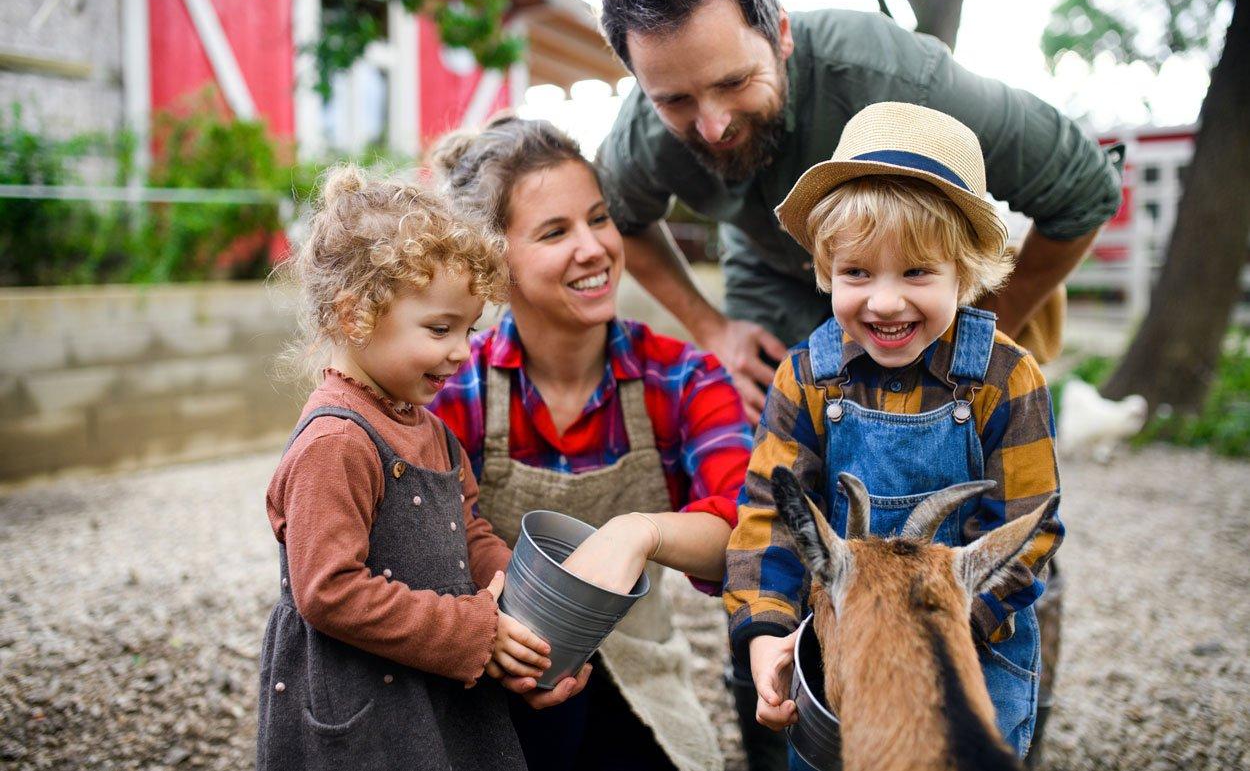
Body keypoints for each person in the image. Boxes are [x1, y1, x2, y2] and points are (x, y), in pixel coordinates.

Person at [596, 0, 1122, 425]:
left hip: (922, 267)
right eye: (675, 101)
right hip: (770, 276)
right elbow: (618, 220)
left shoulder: (900, 78)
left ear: (781, 35)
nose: (713, 127)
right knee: (782, 435)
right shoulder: (639, 137)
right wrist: (712, 329)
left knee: (955, 438)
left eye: (735, 81)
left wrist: (986, 329)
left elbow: (1084, 188)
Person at [722, 102, 1065, 768]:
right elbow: (769, 514)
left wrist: (939, 623)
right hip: (844, 644)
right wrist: (765, 634)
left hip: (967, 645)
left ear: (965, 273)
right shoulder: (807, 377)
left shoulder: (1007, 378)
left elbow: (1031, 528)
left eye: (915, 272)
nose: (884, 301)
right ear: (827, 269)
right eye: (857, 272)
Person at [427, 116, 753, 771]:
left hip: (642, 675)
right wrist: (488, 636)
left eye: (599, 219)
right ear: (494, 264)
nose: (594, 247)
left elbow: (750, 532)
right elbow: (410, 548)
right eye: (555, 232)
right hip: (488, 670)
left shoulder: (682, 378)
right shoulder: (455, 390)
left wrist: (640, 531)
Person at [257, 165, 576, 771]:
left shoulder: (431, 431)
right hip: (362, 706)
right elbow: (328, 591)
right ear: (355, 315)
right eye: (439, 329)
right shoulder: (337, 442)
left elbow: (470, 534)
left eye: (468, 329)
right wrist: (473, 633)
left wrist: (532, 611)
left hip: (435, 683)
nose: (462, 351)